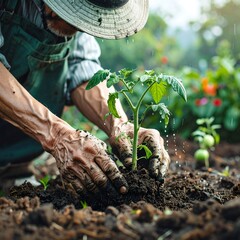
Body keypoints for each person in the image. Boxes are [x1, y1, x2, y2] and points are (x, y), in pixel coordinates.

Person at [0, 0, 170, 194]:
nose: (79, 23)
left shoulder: (80, 19)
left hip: (13, 161)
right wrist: (57, 135)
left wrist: (120, 126)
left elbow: (82, 67)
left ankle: (11, 172)